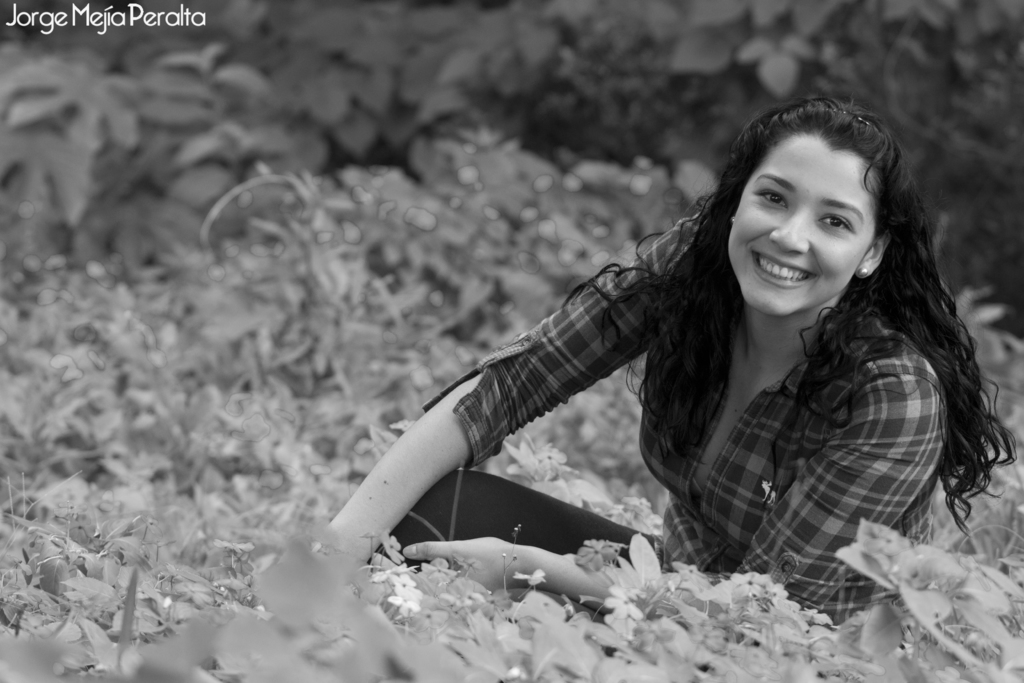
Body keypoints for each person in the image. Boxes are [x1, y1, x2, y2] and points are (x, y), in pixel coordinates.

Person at [328, 96, 1015, 624]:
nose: (788, 236)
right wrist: (335, 548)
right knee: (432, 509)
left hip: (795, 651)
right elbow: (513, 382)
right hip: (660, 593)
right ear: (737, 199)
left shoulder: (891, 394)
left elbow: (766, 611)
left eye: (833, 221)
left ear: (872, 252)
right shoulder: (693, 270)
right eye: (773, 198)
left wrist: (530, 569)